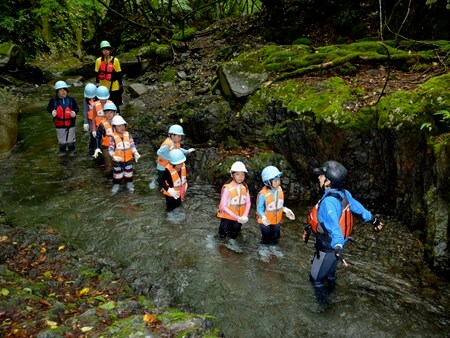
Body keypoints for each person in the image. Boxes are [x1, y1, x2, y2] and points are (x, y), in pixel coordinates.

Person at [304, 160, 383, 305]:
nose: (319, 178)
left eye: (322, 176)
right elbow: (358, 208)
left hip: (329, 247)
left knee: (315, 280)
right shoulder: (343, 194)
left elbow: (334, 228)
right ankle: (332, 292)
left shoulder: (328, 203)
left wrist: (338, 246)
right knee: (330, 275)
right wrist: (373, 219)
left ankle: (324, 309)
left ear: (329, 182)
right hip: (336, 249)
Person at [256, 166, 295, 245]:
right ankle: (264, 249)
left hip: (276, 221)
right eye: (275, 181)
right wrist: (263, 217)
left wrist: (285, 210)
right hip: (265, 222)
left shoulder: (279, 190)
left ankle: (274, 249)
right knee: (266, 238)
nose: (278, 182)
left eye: (279, 180)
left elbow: (279, 204)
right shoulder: (263, 194)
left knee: (276, 237)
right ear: (268, 182)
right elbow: (259, 209)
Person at [217, 161, 251, 239]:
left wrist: (245, 215)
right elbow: (223, 206)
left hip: (239, 218)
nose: (240, 177)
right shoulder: (227, 188)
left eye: (242, 174)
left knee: (234, 236)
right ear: (232, 175)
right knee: (222, 237)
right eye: (237, 174)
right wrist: (236, 217)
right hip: (227, 218)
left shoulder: (245, 187)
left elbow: (248, 202)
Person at [108, 115, 141, 194]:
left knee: (129, 172)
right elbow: (110, 150)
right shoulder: (113, 137)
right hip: (117, 160)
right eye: (119, 126)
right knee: (117, 174)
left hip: (128, 159)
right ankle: (116, 184)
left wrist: (136, 153)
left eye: (123, 125)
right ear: (114, 127)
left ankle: (129, 183)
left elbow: (132, 146)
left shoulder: (128, 135)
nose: (122, 127)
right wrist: (113, 156)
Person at [46, 80, 79, 155]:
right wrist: (52, 112)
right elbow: (48, 108)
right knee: (62, 142)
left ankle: (72, 155)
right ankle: (63, 156)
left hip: (71, 123)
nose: (63, 92)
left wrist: (74, 112)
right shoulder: (53, 100)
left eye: (64, 90)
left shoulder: (71, 100)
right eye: (61, 90)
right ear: (57, 92)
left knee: (70, 142)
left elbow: (76, 108)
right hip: (59, 124)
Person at [95, 40, 123, 113]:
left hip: (114, 87)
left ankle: (117, 118)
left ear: (110, 50)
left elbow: (119, 74)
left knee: (115, 105)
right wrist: (97, 85)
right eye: (104, 50)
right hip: (103, 88)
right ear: (101, 51)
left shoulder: (115, 60)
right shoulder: (98, 61)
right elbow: (97, 74)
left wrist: (120, 85)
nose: (106, 51)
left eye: (107, 49)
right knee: (104, 105)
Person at [93, 102, 116, 178]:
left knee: (118, 163)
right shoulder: (102, 124)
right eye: (107, 112)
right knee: (109, 165)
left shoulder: (118, 123)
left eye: (111, 112)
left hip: (117, 147)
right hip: (106, 147)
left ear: (115, 113)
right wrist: (97, 148)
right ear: (104, 113)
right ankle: (107, 180)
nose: (109, 114)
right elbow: (98, 137)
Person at [82, 83, 97, 157]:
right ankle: (91, 150)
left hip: (99, 119)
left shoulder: (100, 97)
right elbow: (85, 110)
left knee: (100, 135)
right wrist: (85, 122)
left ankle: (99, 148)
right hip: (91, 120)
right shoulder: (86, 99)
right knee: (92, 136)